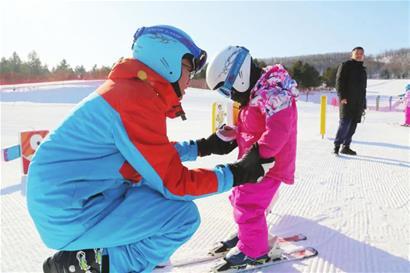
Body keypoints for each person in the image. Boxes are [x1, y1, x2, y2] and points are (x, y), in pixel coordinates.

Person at [26, 26, 274, 273]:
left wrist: (204, 146)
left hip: (69, 198)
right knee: (182, 217)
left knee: (152, 190)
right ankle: (91, 264)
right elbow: (175, 183)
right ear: (168, 61)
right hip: (69, 212)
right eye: (189, 68)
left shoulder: (130, 92)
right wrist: (238, 173)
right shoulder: (135, 100)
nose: (190, 79)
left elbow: (149, 158)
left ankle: (128, 258)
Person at [205, 46, 299, 271]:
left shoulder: (273, 93)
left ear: (237, 77)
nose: (230, 97)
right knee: (239, 196)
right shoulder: (256, 92)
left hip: (268, 164)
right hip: (254, 162)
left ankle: (253, 251)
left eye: (226, 90)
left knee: (248, 204)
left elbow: (279, 130)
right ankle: (248, 233)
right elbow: (253, 125)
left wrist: (259, 156)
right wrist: (234, 133)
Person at [333, 46, 367, 155]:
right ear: (352, 54)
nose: (359, 55)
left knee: (353, 126)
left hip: (358, 102)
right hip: (346, 100)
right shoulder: (345, 65)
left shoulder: (363, 70)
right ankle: (337, 146)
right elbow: (339, 81)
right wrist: (341, 96)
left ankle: (346, 146)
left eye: (361, 53)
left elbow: (363, 89)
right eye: (357, 53)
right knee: (345, 123)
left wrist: (364, 103)